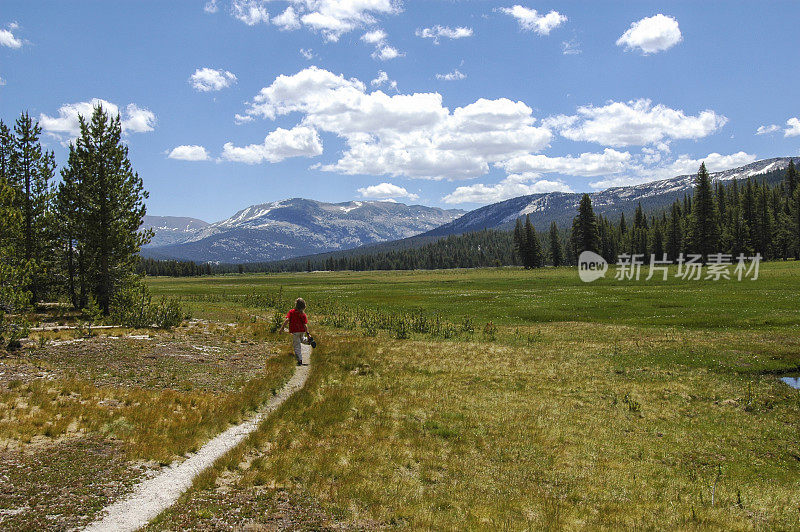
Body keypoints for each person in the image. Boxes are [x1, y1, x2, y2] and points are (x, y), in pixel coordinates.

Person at [282, 298, 311, 366]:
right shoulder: (303, 315)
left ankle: (299, 359)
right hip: (302, 331)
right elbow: (305, 325)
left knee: (297, 346)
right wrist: (308, 334)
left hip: (295, 331)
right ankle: (308, 341)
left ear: (296, 305)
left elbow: (287, 320)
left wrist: (282, 328)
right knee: (302, 339)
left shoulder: (291, 312)